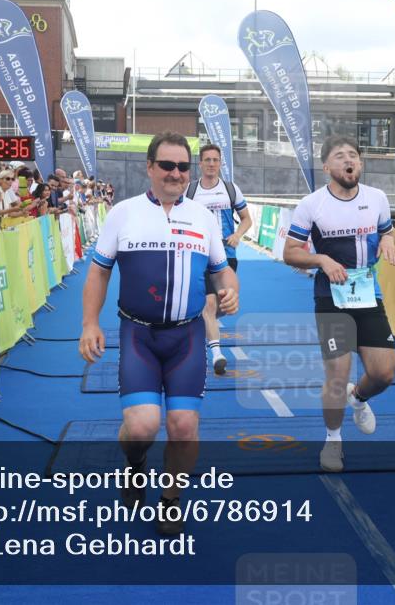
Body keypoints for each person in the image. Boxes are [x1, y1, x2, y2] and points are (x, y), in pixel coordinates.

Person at [79, 131, 238, 535]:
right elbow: (99, 272)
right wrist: (90, 323)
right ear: (149, 167)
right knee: (141, 428)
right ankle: (135, 464)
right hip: (139, 335)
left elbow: (222, 270)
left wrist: (230, 289)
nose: (176, 173)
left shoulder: (203, 217)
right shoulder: (124, 213)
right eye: (167, 165)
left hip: (187, 337)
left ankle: (170, 499)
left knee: (183, 427)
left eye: (183, 166)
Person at [282, 135, 395, 473]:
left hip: (368, 295)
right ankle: (333, 440)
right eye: (340, 156)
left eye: (353, 155)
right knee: (337, 373)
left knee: (383, 373)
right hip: (330, 297)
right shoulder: (312, 205)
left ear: (360, 163)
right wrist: (321, 259)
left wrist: (389, 240)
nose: (349, 160)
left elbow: (388, 231)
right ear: (326, 167)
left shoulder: (377, 198)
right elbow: (290, 253)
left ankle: (358, 397)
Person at [187, 144, 253, 373]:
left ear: (220, 163)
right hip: (201, 256)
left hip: (227, 256)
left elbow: (246, 219)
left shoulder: (231, 189)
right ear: (200, 163)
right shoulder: (190, 191)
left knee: (223, 305)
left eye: (215, 160)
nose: (212, 164)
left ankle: (202, 324)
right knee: (209, 303)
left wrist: (237, 234)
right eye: (207, 160)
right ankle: (217, 354)